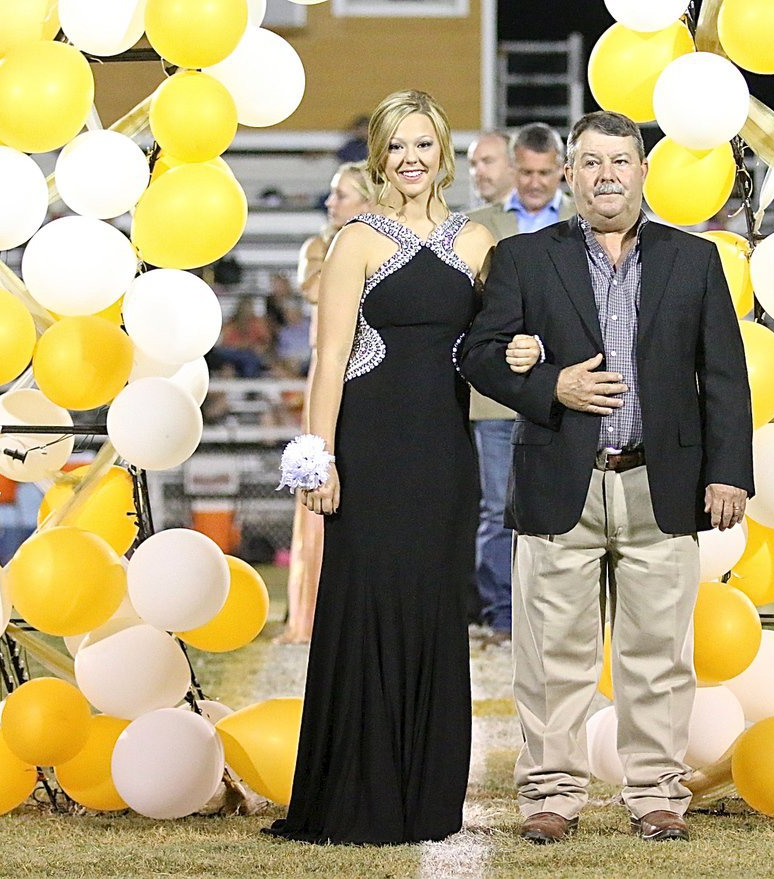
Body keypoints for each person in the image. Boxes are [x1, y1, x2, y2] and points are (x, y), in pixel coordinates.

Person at [460, 110, 754, 845]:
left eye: (619, 162)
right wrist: (550, 387)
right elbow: (480, 353)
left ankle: (656, 794)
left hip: (663, 485)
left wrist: (728, 472)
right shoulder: (525, 258)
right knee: (551, 656)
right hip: (563, 479)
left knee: (658, 656)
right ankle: (551, 795)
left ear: (643, 172)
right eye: (590, 163)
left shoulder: (695, 260)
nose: (606, 176)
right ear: (568, 175)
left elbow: (724, 376)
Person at [266, 89, 495, 845]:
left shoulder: (478, 242)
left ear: (443, 155)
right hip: (367, 451)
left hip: (444, 456)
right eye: (397, 146)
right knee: (363, 606)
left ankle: (427, 796)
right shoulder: (356, 239)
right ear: (380, 156)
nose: (410, 160)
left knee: (433, 613)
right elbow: (328, 359)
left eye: (423, 145)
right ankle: (355, 792)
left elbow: (493, 350)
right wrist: (318, 456)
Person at [465, 123, 577, 647]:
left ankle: (553, 618)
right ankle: (504, 615)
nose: (534, 182)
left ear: (561, 169)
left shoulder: (585, 222)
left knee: (559, 505)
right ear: (513, 169)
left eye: (544, 172)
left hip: (565, 390)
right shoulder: (480, 225)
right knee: (495, 510)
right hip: (494, 396)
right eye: (525, 172)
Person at [276, 161, 373, 645]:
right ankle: (309, 614)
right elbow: (314, 288)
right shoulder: (318, 248)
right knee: (317, 486)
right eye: (333, 195)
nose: (331, 203)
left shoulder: (379, 248)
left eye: (343, 195)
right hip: (327, 372)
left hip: (370, 373)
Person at [467, 130, 515, 207]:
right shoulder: (466, 217)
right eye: (473, 164)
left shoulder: (536, 215)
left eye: (488, 161)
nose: (478, 172)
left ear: (513, 164)